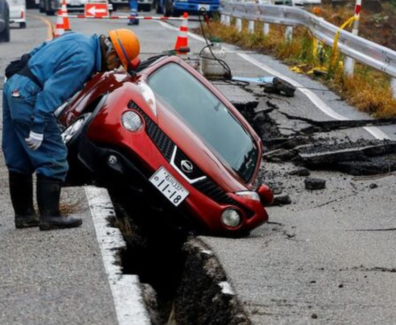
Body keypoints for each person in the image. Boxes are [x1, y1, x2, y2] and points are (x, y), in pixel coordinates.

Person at [2, 29, 140, 231]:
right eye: (117, 61)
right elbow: (52, 92)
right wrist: (39, 125)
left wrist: (23, 63)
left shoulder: (78, 38)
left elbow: (43, 47)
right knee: (54, 156)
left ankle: (24, 215)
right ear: (110, 52)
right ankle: (50, 216)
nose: (115, 67)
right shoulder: (84, 61)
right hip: (29, 96)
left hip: (14, 86)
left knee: (18, 156)